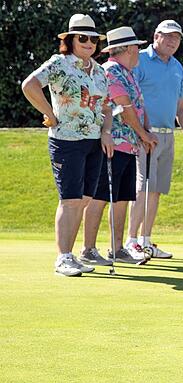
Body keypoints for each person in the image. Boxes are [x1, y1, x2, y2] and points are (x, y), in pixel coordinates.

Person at [21, 14, 114, 276]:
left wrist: (107, 132)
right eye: (82, 38)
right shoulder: (59, 64)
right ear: (70, 40)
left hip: (94, 142)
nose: (88, 43)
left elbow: (105, 106)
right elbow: (29, 85)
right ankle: (62, 258)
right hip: (66, 141)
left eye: (93, 39)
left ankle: (71, 255)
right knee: (70, 200)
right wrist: (49, 113)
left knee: (83, 199)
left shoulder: (98, 70)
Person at [125, 19, 183, 259]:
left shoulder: (177, 67)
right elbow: (129, 98)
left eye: (176, 38)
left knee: (155, 190)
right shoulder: (140, 61)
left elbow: (182, 107)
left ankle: (146, 240)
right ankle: (131, 241)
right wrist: (141, 131)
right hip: (144, 134)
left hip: (168, 136)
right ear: (156, 36)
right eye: (167, 36)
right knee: (142, 188)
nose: (172, 41)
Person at [83, 27, 158, 265]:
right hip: (112, 145)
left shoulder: (130, 72)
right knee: (100, 197)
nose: (139, 51)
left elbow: (138, 106)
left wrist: (145, 133)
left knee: (122, 198)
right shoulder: (112, 71)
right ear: (127, 49)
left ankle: (117, 249)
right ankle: (88, 250)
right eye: (136, 47)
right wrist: (144, 135)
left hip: (129, 146)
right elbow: (124, 109)